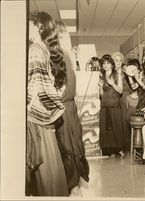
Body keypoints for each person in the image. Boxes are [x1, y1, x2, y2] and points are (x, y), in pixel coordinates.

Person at [26, 11, 68, 196]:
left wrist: (24, 106)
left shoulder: (34, 48)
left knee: (42, 169)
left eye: (29, 25)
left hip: (35, 114)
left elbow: (35, 85)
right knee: (49, 167)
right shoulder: (45, 49)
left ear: (39, 27)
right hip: (44, 114)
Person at [51, 20, 89, 195]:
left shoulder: (59, 56)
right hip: (69, 107)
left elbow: (61, 88)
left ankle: (73, 186)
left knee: (67, 147)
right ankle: (75, 185)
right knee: (73, 145)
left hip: (63, 108)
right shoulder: (66, 55)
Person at [99, 54, 125, 157]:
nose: (105, 65)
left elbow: (120, 90)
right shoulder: (101, 76)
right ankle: (108, 150)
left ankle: (118, 149)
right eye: (104, 63)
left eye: (108, 63)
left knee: (116, 127)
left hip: (115, 105)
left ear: (112, 65)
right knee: (106, 128)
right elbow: (101, 95)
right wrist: (100, 87)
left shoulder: (116, 75)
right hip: (105, 105)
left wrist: (112, 83)